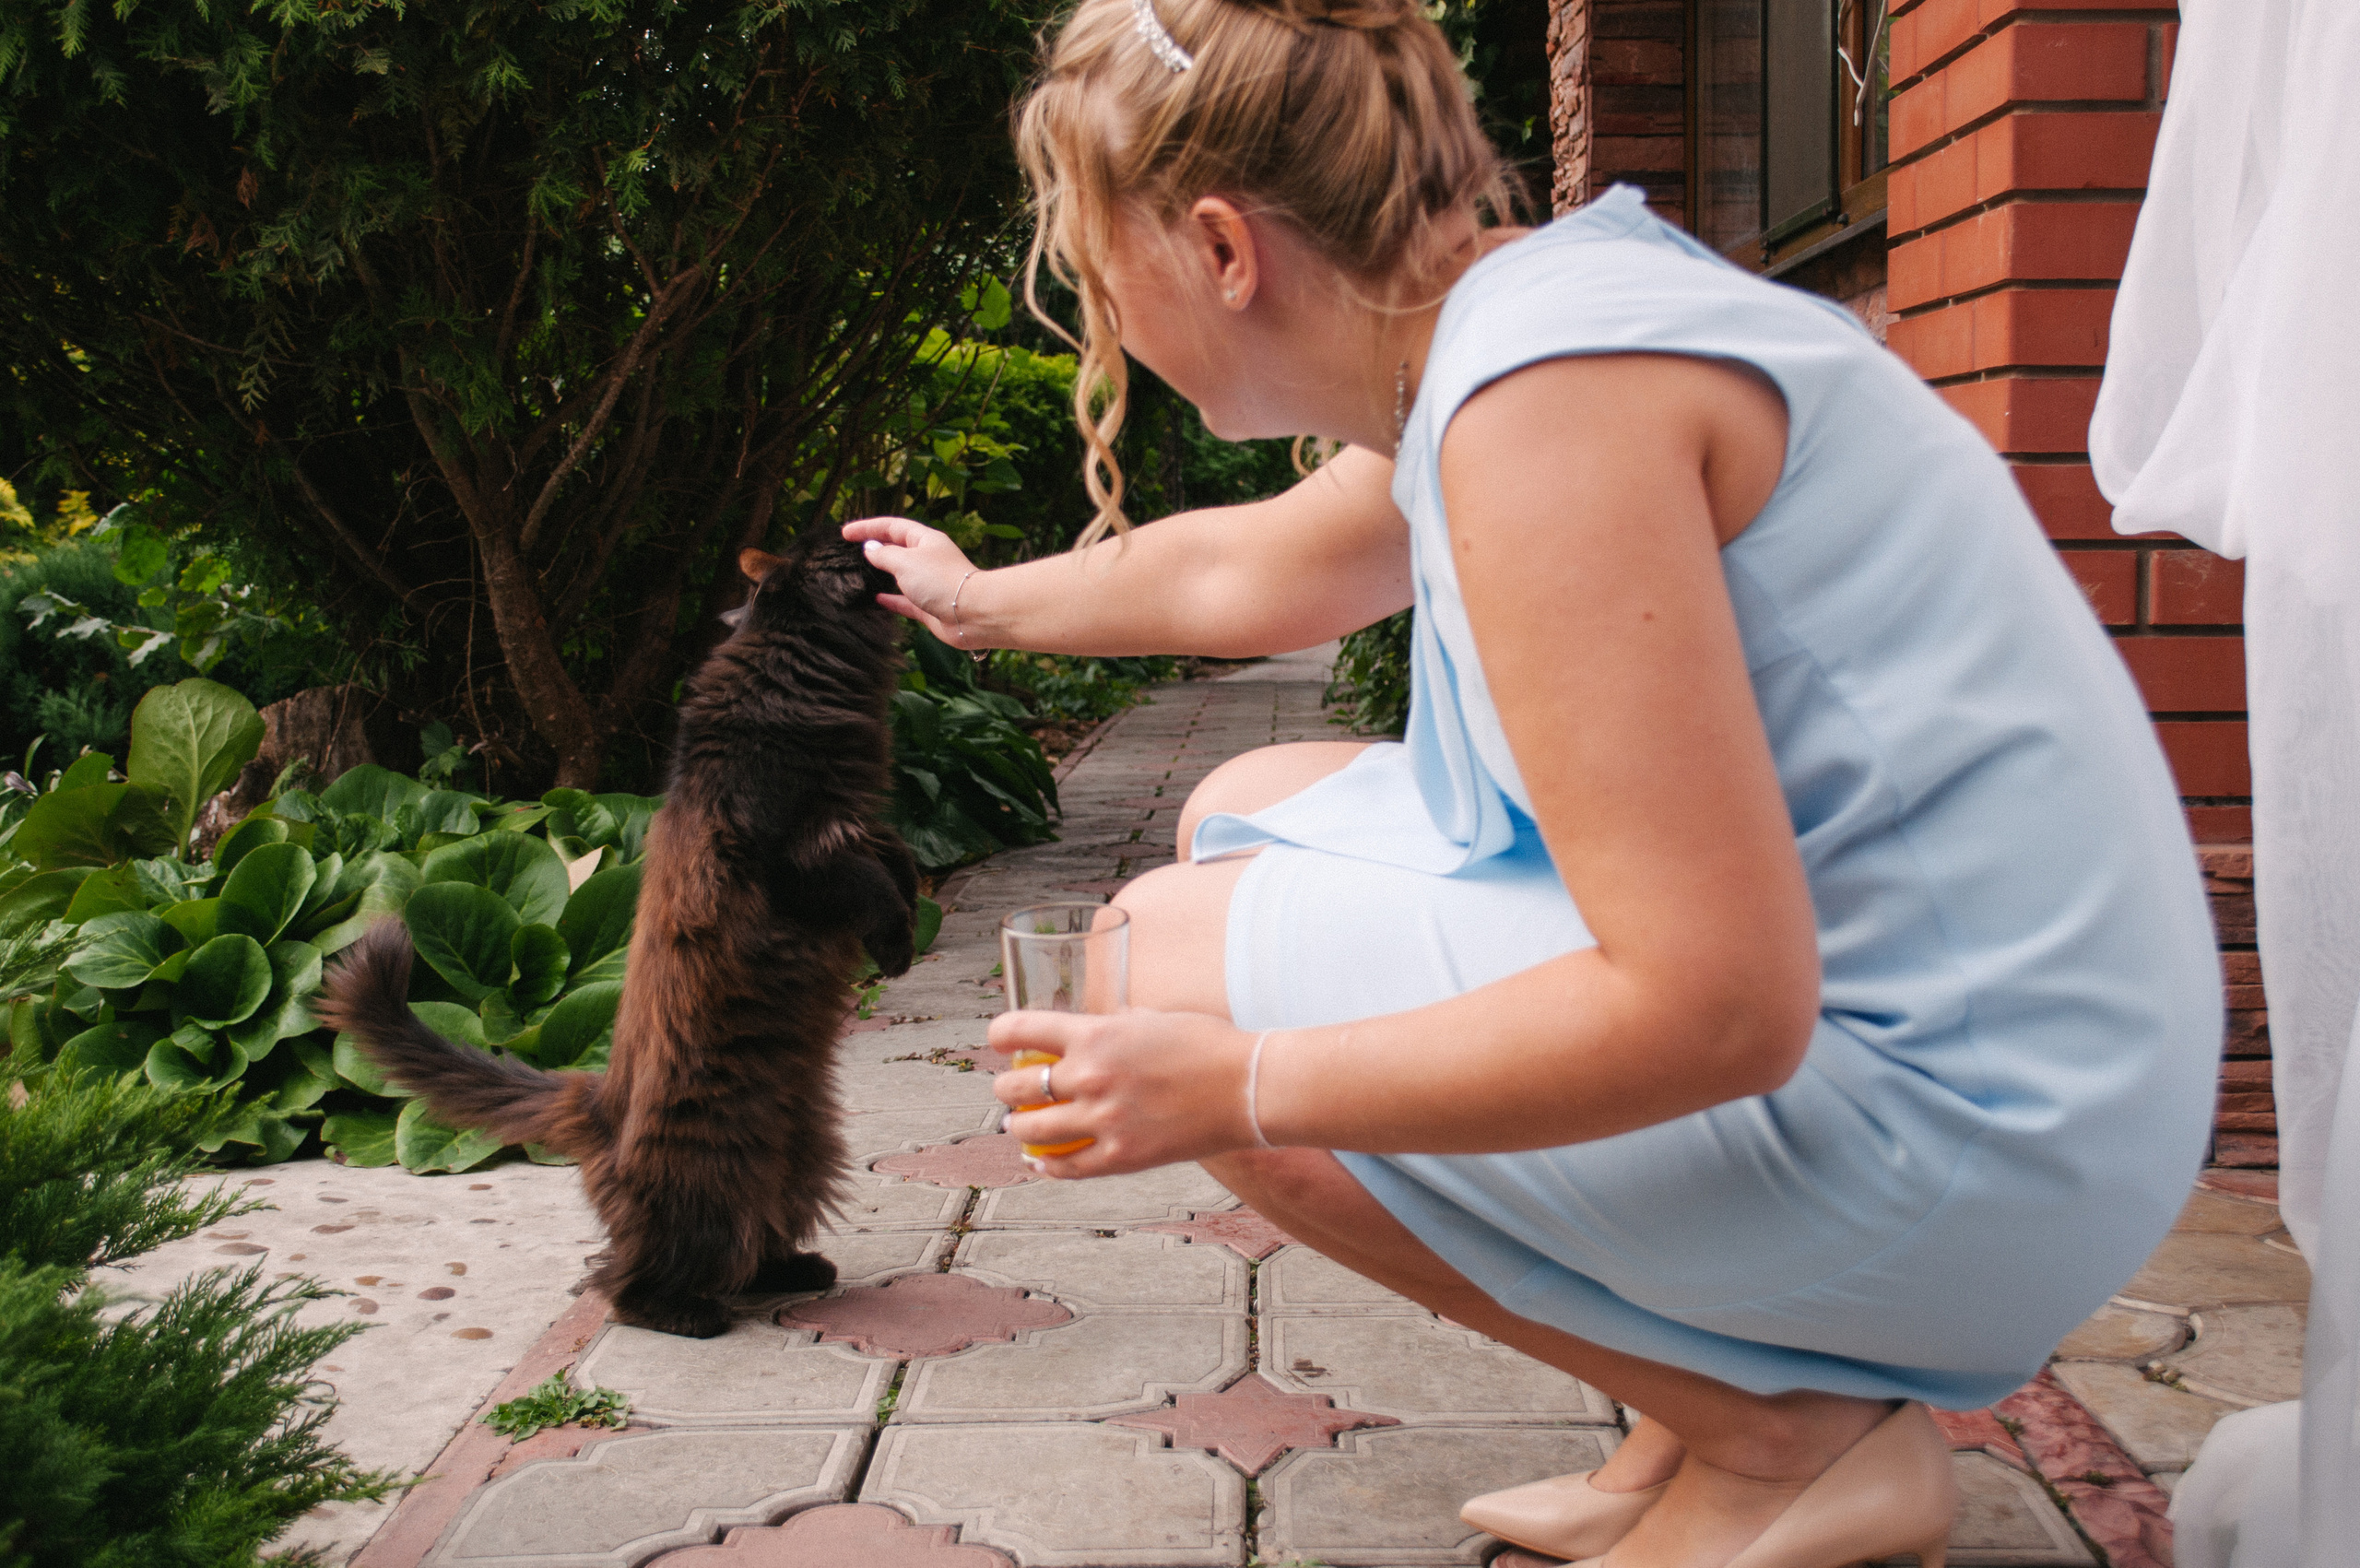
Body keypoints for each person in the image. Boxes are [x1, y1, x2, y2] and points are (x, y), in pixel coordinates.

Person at [846, 3, 2221, 1565]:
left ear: (1222, 248)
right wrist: (975, 599)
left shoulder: (1544, 404)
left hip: (1985, 1132)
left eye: (1097, 265)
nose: (1098, 310)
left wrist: (1231, 1085)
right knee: (1250, 800)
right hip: (2035, 1057)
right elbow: (1247, 570)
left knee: (1158, 966)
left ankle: (1782, 1440)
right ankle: (1704, 1408)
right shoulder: (1532, 325)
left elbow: (1715, 1005)